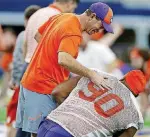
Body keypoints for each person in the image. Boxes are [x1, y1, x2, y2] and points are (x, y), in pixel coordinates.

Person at [16, 2, 114, 137]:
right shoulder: (74, 31)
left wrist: (50, 54)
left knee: (34, 133)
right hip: (43, 87)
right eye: (101, 25)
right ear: (93, 16)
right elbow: (64, 59)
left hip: (30, 82)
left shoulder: (62, 17)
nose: (100, 30)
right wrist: (91, 74)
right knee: (41, 134)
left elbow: (38, 35)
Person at [37, 70, 146, 137]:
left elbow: (58, 92)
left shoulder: (96, 74)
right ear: (136, 95)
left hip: (49, 123)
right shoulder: (134, 115)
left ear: (123, 78)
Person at [7, 5, 41, 137]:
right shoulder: (42, 34)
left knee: (15, 117)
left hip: (23, 79)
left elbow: (17, 60)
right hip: (36, 82)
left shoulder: (24, 34)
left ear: (27, 19)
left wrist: (14, 79)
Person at [23, 0, 79, 67]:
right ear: (70, 2)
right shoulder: (59, 17)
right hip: (43, 67)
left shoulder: (36, 14)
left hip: (28, 65)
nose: (72, 12)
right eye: (73, 8)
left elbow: (25, 45)